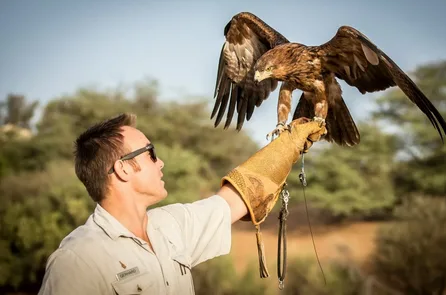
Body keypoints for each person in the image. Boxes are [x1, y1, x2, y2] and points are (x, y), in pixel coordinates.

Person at [38, 112, 326, 295]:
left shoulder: (172, 225)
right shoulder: (77, 261)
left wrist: (288, 145)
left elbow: (239, 196)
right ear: (123, 169)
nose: (160, 162)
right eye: (151, 153)